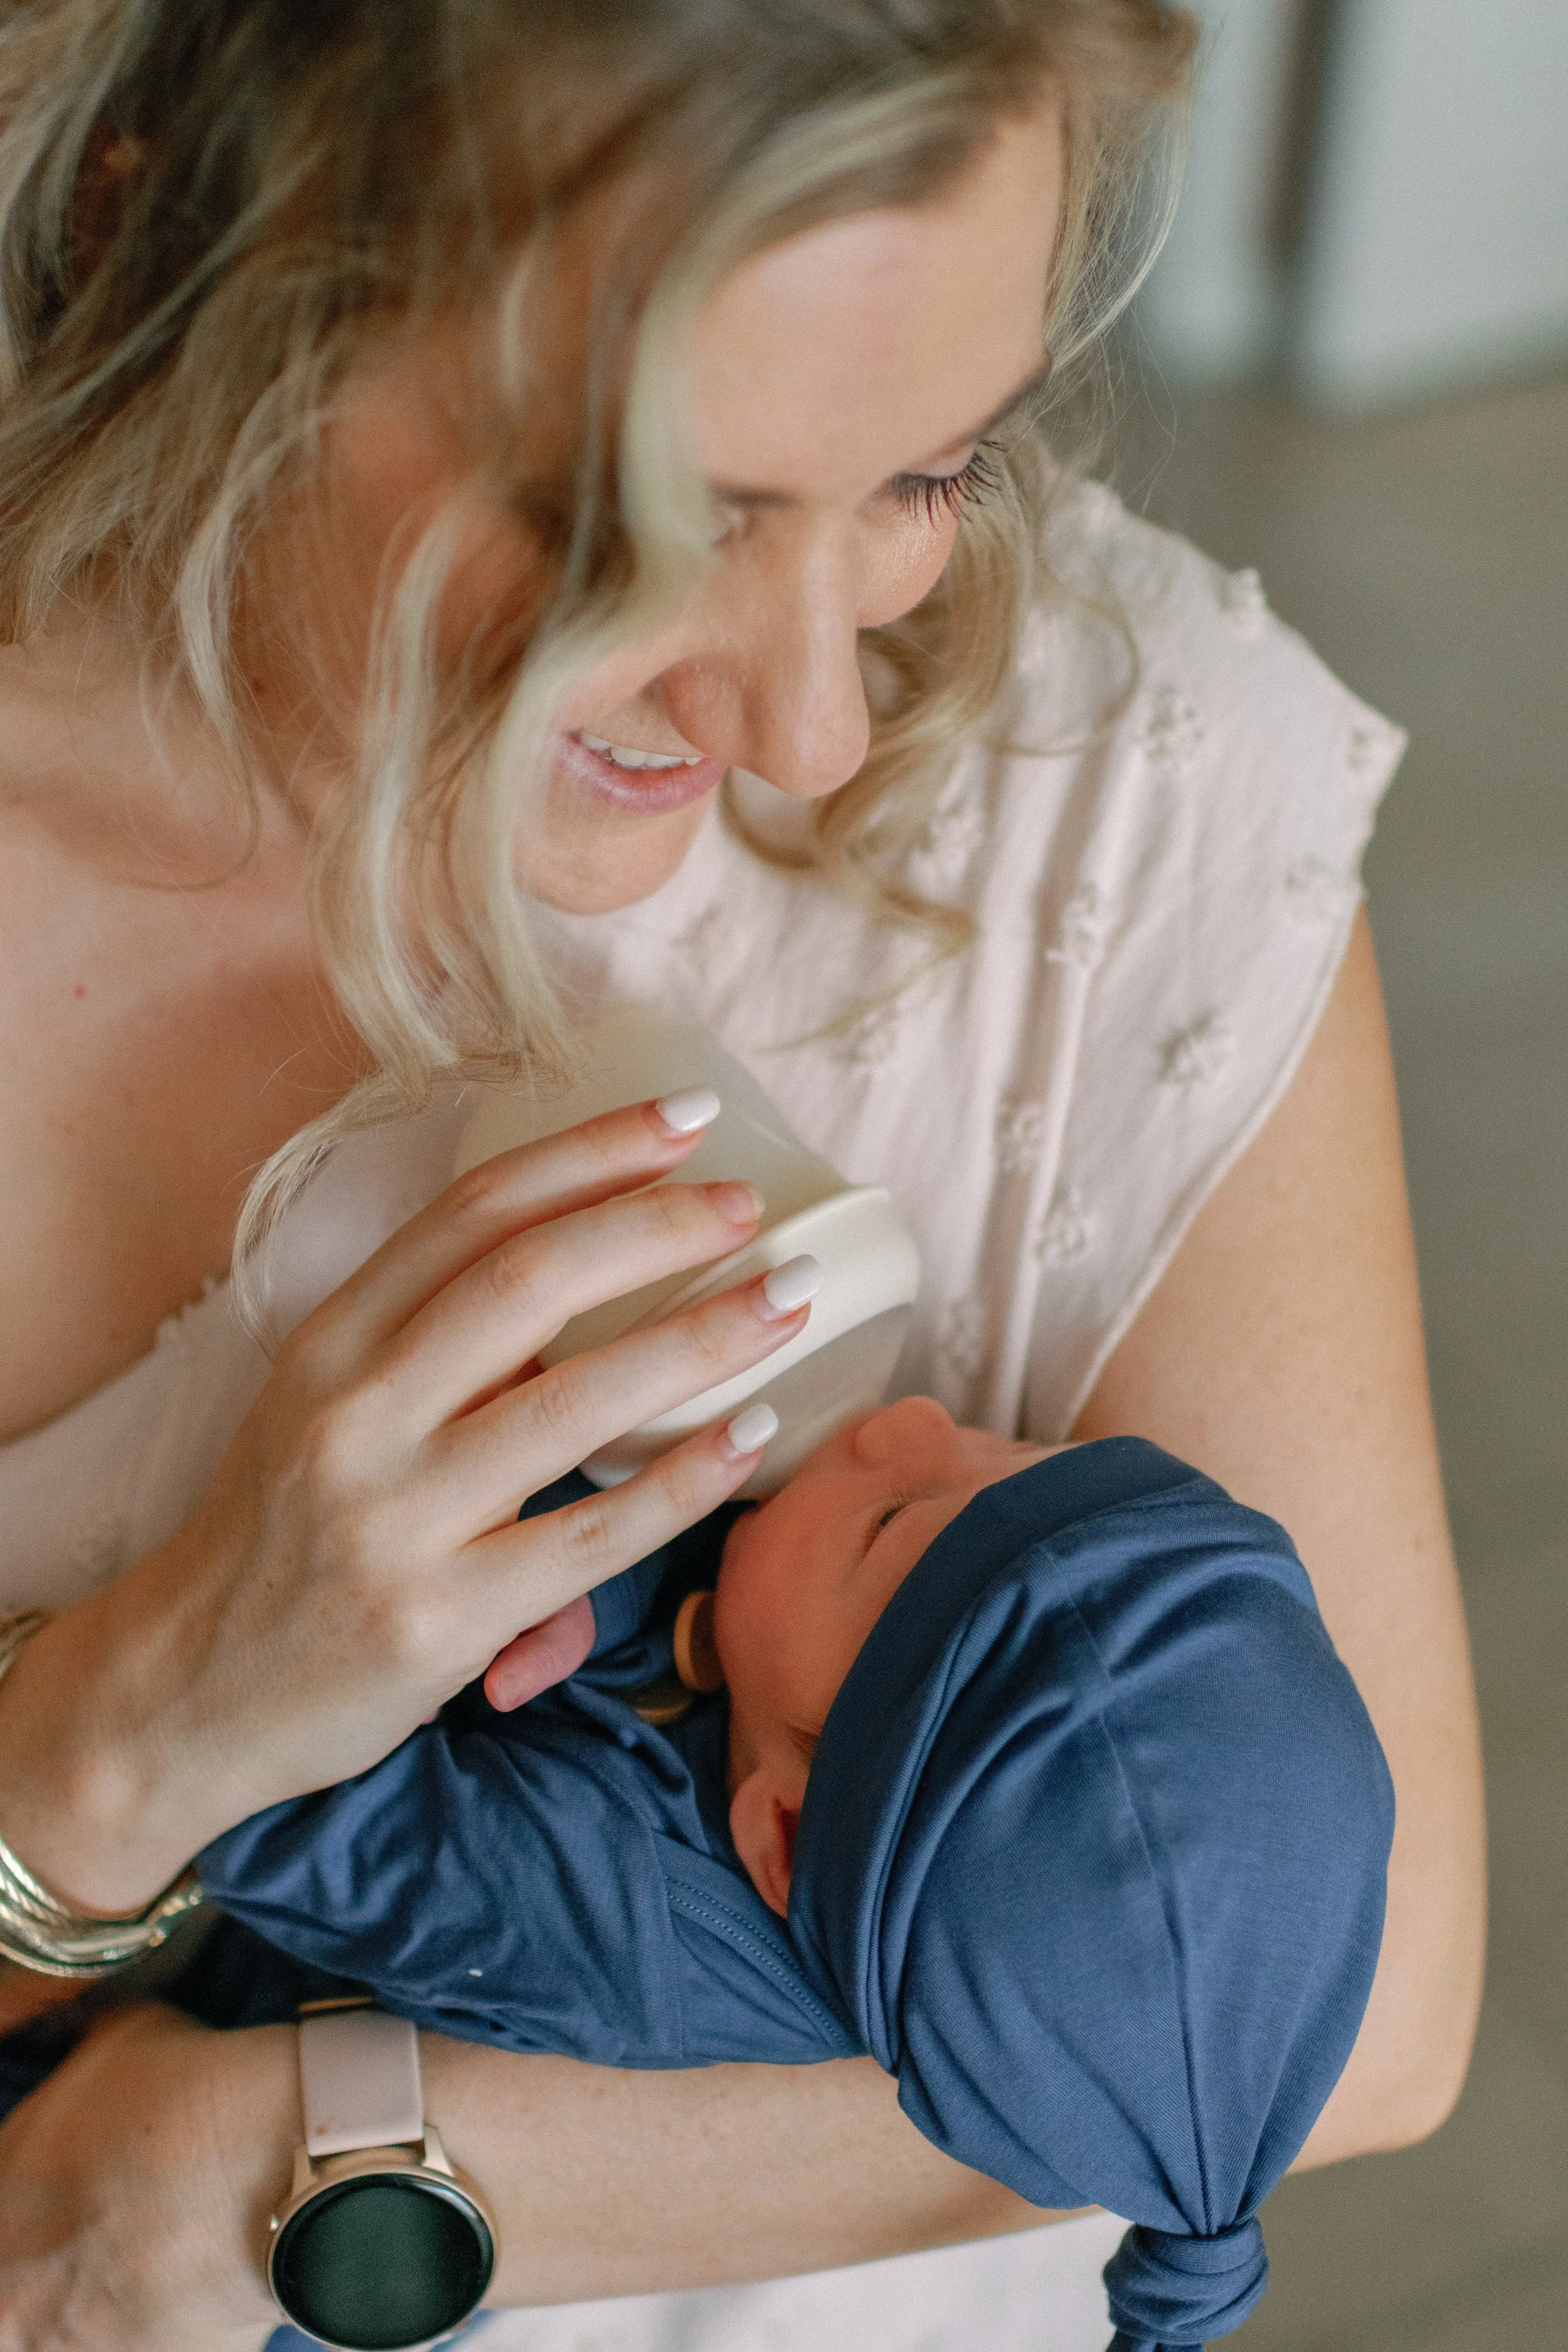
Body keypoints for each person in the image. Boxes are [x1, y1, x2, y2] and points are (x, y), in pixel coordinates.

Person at [0, 6, 1482, 2350]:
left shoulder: (1113, 787)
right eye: (646, 527)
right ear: (155, 223)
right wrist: (117, 1744)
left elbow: (1351, 2010)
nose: (810, 730)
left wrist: (292, 2183)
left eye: (931, 472)